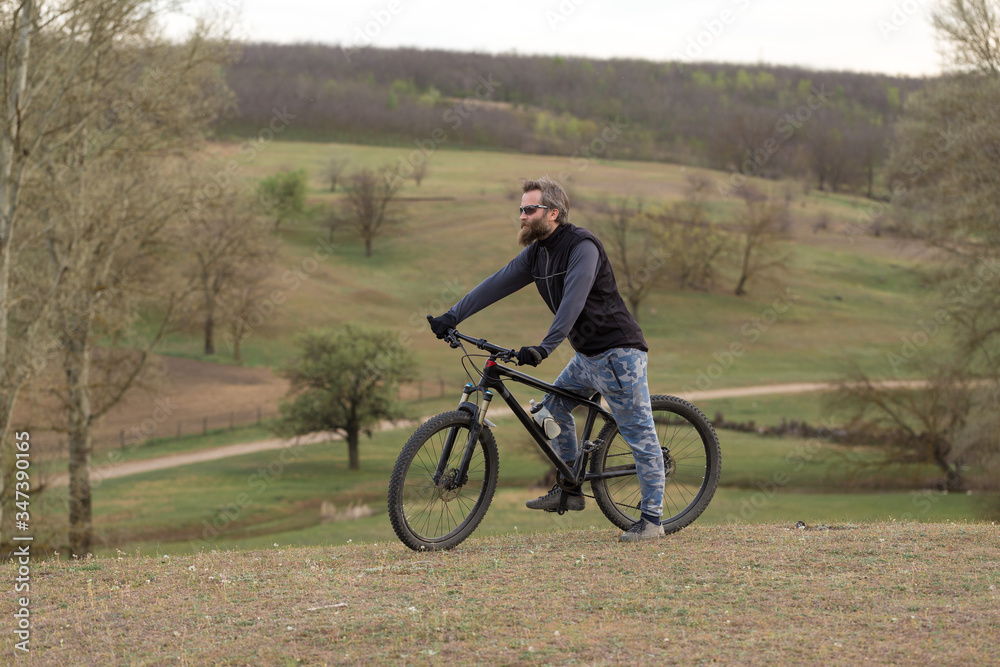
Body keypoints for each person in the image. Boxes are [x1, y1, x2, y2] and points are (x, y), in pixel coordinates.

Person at [427, 177, 666, 542]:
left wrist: (545, 347)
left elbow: (573, 301)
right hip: (587, 358)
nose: (522, 216)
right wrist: (452, 316)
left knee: (639, 435)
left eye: (529, 209)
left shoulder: (582, 247)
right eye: (520, 209)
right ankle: (570, 490)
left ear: (553, 213)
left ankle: (652, 520)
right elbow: (497, 283)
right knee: (550, 411)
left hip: (620, 356)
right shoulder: (538, 253)